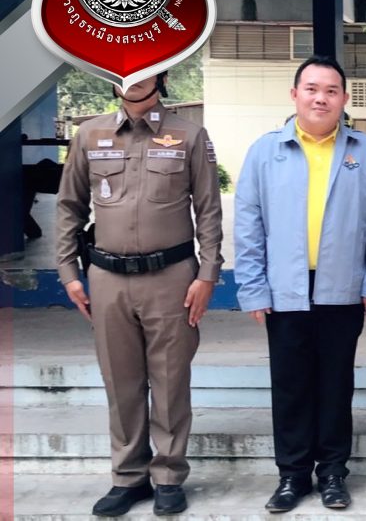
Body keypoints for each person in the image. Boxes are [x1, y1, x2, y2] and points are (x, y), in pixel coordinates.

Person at [56, 72, 222, 516]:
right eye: (122, 72)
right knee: (120, 380)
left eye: (144, 70)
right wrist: (69, 272)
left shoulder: (188, 135)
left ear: (161, 76)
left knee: (170, 381)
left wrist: (208, 274)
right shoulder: (89, 135)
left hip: (171, 277)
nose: (131, 80)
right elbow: (69, 206)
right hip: (107, 278)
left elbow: (208, 210)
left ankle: (168, 476)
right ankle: (128, 476)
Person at [234, 55, 366, 512]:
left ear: (344, 98)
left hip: (343, 288)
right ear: (295, 94)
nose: (321, 98)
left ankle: (333, 472)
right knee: (290, 384)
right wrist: (253, 287)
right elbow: (248, 223)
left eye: (331, 91)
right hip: (285, 289)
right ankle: (293, 475)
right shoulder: (266, 152)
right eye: (312, 89)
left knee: (336, 383)